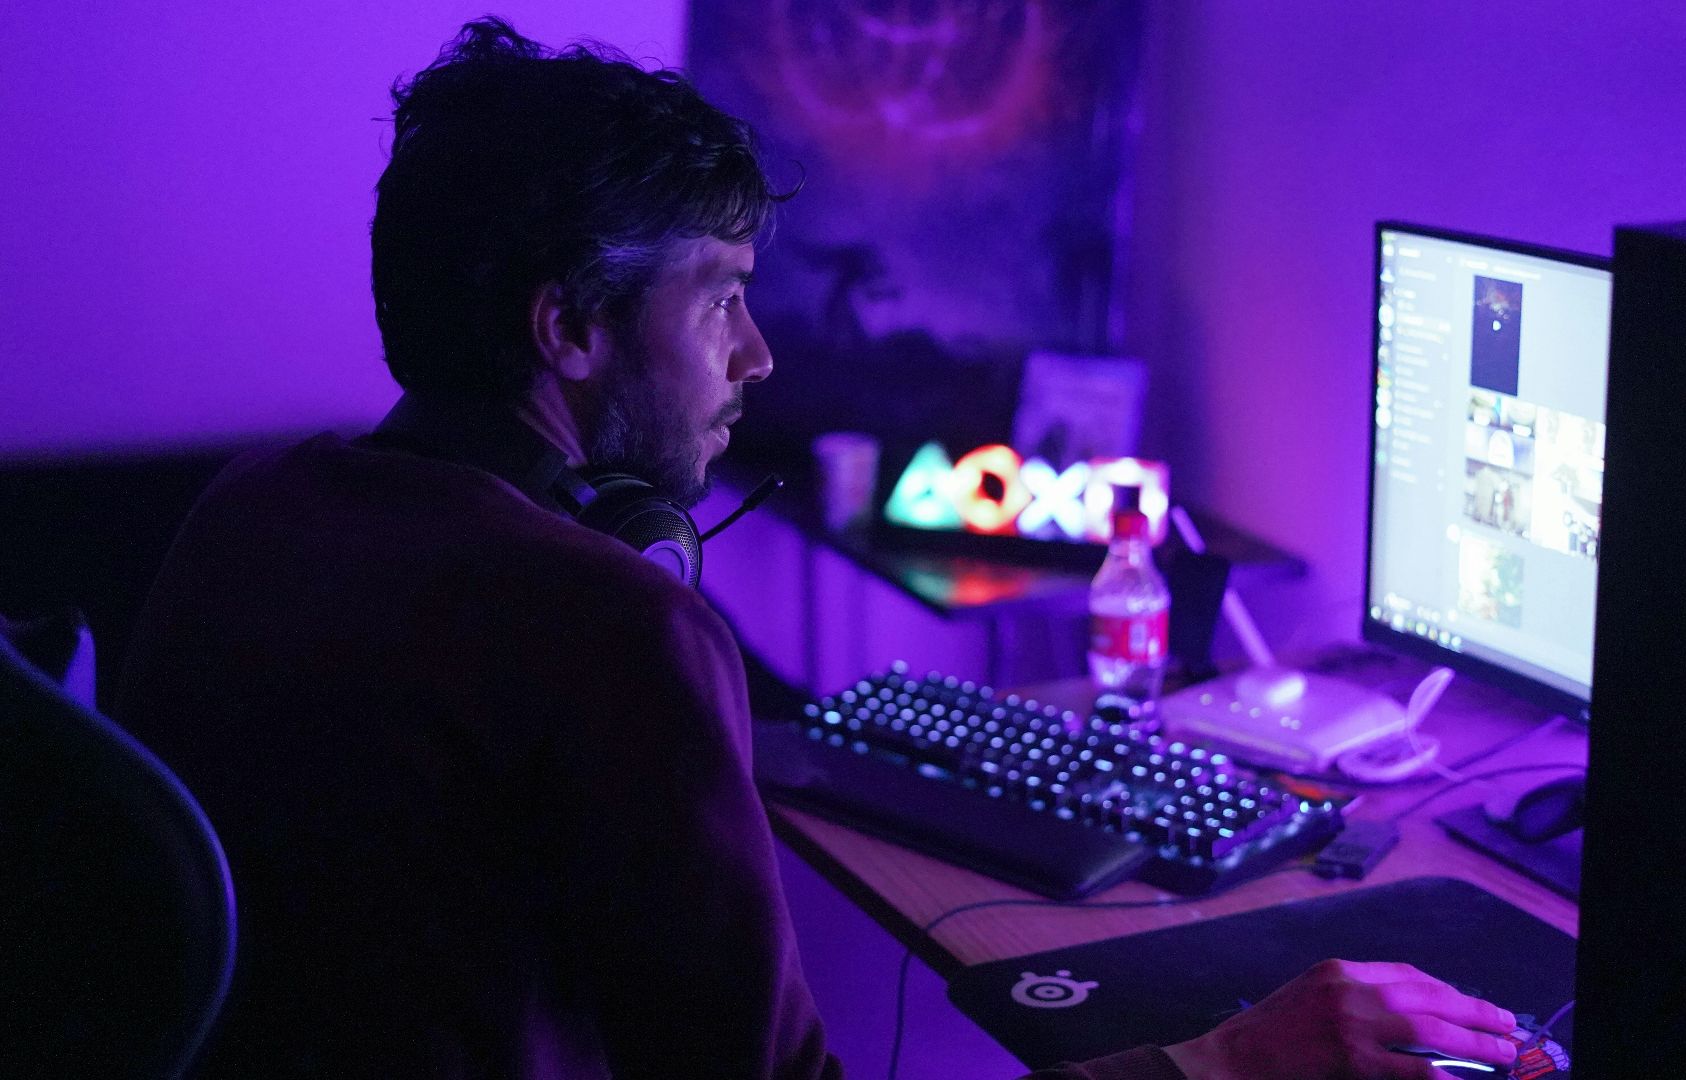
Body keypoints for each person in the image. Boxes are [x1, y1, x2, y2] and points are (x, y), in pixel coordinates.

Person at [116, 18, 1519, 1079]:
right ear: (574, 328)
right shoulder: (610, 628)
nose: (758, 354)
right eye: (721, 298)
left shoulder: (248, 515)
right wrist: (1224, 1060)